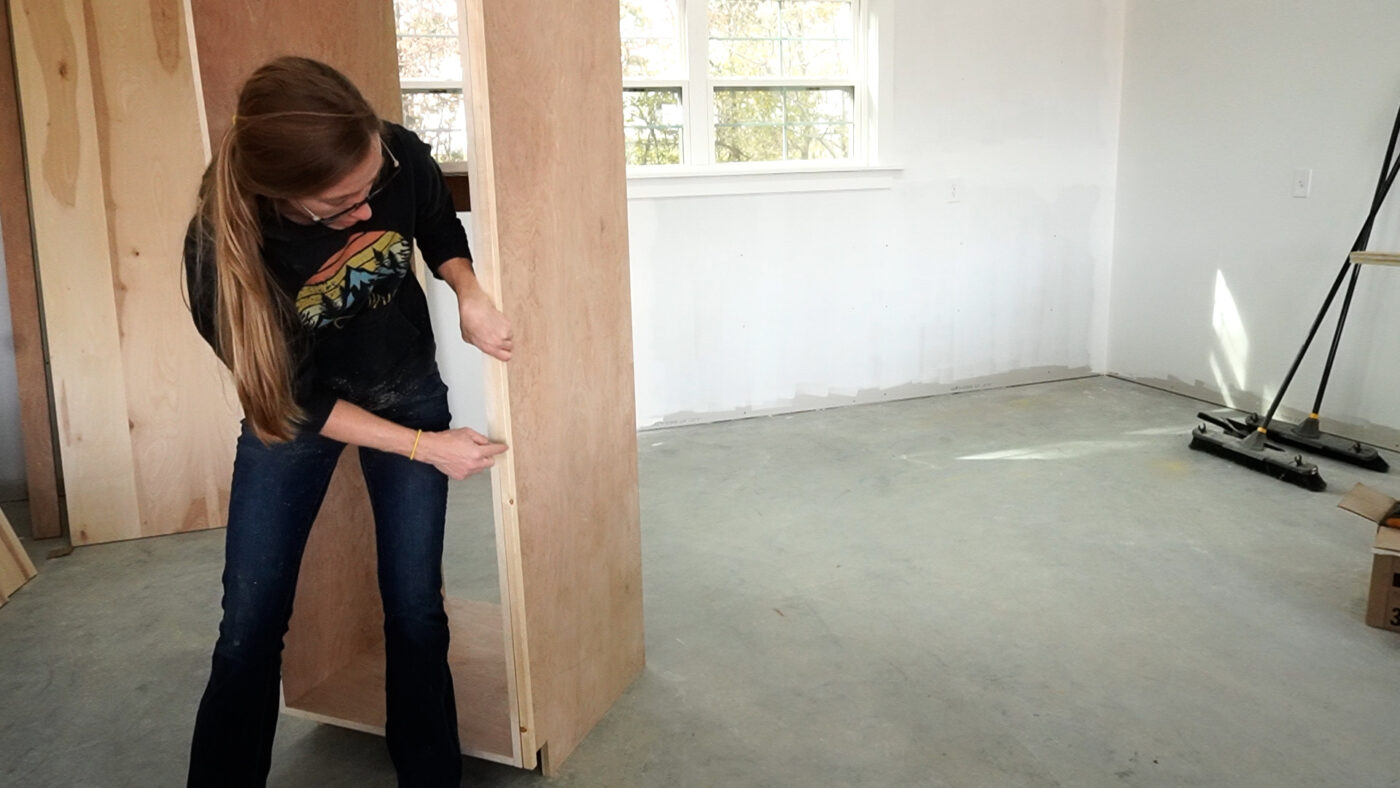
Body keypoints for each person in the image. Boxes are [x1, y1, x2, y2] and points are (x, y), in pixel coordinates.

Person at [182, 56, 510, 787]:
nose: (367, 210)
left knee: (417, 611)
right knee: (248, 630)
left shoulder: (386, 152)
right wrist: (428, 448)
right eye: (340, 206)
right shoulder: (223, 256)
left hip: (406, 384)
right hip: (299, 413)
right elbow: (293, 401)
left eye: (372, 184)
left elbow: (431, 221)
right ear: (281, 198)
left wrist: (468, 290)